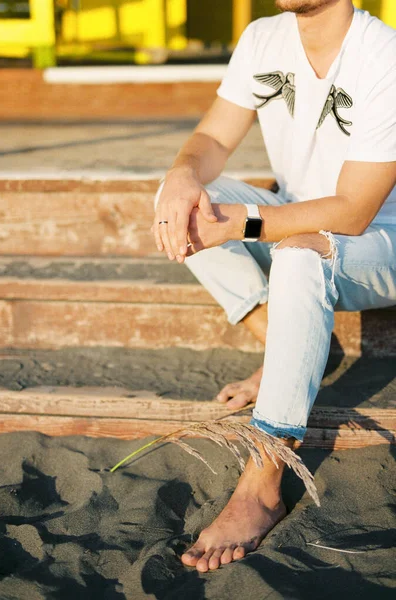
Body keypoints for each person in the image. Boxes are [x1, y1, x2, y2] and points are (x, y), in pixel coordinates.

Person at [152, 0, 396, 573]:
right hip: (297, 215)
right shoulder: (263, 37)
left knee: (297, 254)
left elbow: (355, 212)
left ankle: (264, 478)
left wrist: (241, 223)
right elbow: (212, 137)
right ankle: (281, 348)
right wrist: (182, 175)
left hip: (379, 242)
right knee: (180, 203)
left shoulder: (383, 54)